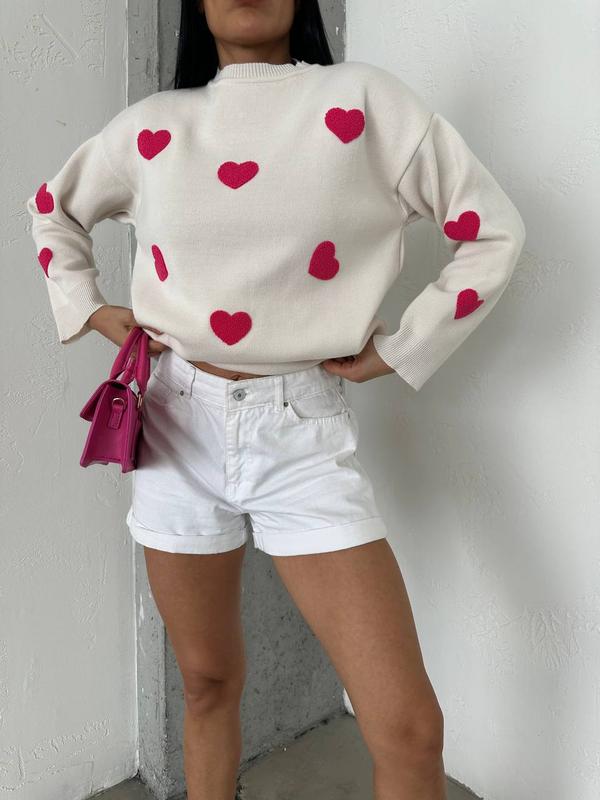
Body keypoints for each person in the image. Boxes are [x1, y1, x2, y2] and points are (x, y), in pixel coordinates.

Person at [26, 1, 526, 798]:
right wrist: (88, 306)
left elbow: (493, 230)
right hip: (172, 428)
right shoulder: (156, 124)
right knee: (205, 682)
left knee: (408, 729)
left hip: (302, 432)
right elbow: (53, 210)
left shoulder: (365, 103)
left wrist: (402, 347)